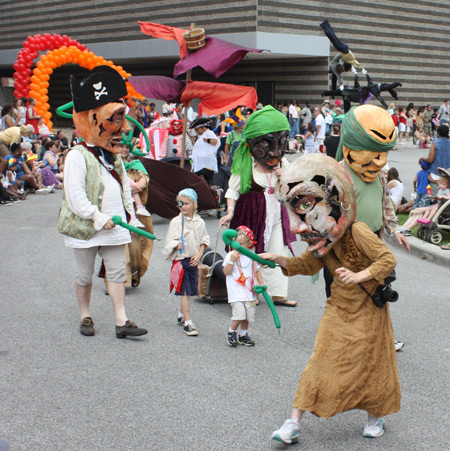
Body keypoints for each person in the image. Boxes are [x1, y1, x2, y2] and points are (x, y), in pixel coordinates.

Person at [266, 154, 400, 445]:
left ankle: (375, 417)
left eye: (305, 209)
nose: (297, 226)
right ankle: (293, 422)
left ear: (337, 201)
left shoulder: (358, 231)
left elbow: (387, 259)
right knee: (319, 360)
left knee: (371, 364)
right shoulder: (322, 243)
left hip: (369, 310)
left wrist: (361, 275)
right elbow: (306, 264)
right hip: (338, 308)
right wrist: (279, 260)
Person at [57, 65, 148, 339]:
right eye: (115, 120)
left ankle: (122, 320)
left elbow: (123, 189)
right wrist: (98, 218)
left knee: (118, 274)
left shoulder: (115, 156)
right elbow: (75, 197)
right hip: (88, 228)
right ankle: (85, 315)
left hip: (116, 227)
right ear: (92, 119)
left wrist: (129, 217)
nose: (123, 129)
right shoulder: (77, 155)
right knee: (84, 276)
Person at [220, 106, 297, 307]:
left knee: (278, 248)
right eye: (266, 144)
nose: (275, 152)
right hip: (251, 213)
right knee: (249, 253)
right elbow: (232, 190)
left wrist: (285, 178)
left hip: (276, 211)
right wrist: (229, 212)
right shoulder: (246, 163)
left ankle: (277, 293)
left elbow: (294, 191)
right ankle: (246, 292)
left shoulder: (284, 163)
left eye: (281, 143)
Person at [162, 188, 209, 336]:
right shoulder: (176, 222)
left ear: (194, 204)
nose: (183, 206)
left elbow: (204, 239)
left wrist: (200, 254)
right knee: (185, 292)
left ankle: (182, 314)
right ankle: (188, 323)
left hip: (193, 261)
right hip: (180, 261)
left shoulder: (200, 222)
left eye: (186, 203)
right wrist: (175, 245)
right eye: (180, 203)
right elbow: (167, 244)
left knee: (189, 291)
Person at [223, 226, 263, 347]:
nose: (238, 247)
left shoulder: (252, 256)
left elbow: (257, 270)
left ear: (249, 243)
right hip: (236, 291)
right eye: (236, 243)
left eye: (241, 244)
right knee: (239, 314)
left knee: (248, 315)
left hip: (249, 291)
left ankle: (243, 334)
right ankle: (232, 331)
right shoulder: (231, 255)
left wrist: (261, 284)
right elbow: (226, 272)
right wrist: (231, 260)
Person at [419, 124, 450, 193]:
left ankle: (422, 195)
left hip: (436, 174)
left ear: (438, 133)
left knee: (423, 174)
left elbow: (430, 159)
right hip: (448, 173)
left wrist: (422, 158)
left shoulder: (435, 143)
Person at [190, 117, 220, 185]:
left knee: (205, 184)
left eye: (197, 129)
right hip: (199, 165)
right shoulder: (202, 135)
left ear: (202, 127)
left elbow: (217, 142)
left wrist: (207, 140)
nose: (196, 131)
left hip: (206, 166)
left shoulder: (209, 133)